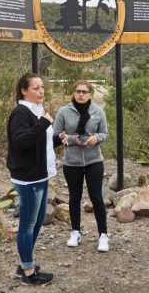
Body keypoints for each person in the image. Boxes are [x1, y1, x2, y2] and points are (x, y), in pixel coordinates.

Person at [6, 73, 57, 285]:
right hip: (28, 179)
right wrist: (44, 123)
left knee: (35, 224)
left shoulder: (36, 111)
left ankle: (25, 263)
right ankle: (27, 272)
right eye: (36, 88)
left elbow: (37, 143)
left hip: (40, 175)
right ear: (23, 90)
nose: (41, 91)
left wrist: (57, 140)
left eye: (42, 87)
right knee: (28, 225)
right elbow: (21, 142)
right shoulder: (20, 113)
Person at [53, 80, 110, 253]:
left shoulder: (98, 111)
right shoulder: (64, 111)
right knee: (74, 197)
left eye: (85, 91)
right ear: (74, 92)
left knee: (97, 198)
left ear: (90, 94)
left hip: (94, 160)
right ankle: (75, 232)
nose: (81, 94)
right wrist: (70, 139)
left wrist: (96, 138)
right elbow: (56, 134)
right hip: (72, 161)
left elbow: (105, 134)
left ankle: (103, 235)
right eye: (78, 91)